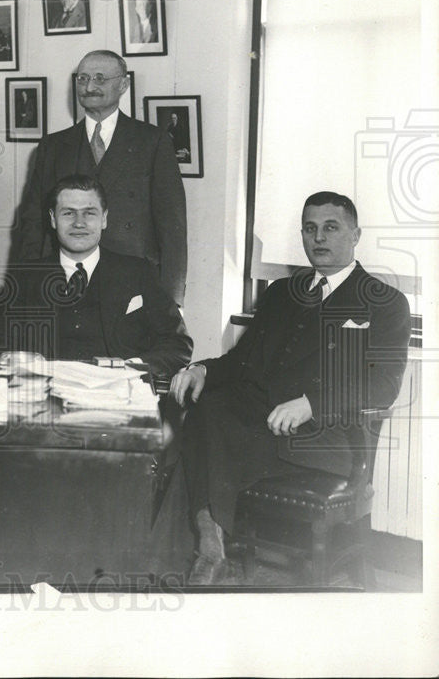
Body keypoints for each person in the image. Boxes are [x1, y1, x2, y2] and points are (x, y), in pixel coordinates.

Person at [170, 192, 411, 585]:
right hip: (258, 422)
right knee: (202, 405)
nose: (319, 238)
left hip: (324, 437)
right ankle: (210, 543)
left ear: (355, 234)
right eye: (310, 229)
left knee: (205, 434)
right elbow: (240, 362)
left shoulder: (385, 303)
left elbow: (384, 385)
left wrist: (312, 403)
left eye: (331, 227)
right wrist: (202, 371)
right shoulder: (282, 293)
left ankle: (206, 547)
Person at [13, 49, 188, 306]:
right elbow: (33, 224)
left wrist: (172, 301)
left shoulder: (151, 141)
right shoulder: (53, 145)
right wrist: (27, 288)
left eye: (100, 78)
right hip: (64, 282)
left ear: (124, 84)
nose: (89, 86)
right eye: (82, 79)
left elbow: (173, 226)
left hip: (132, 283)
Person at [0, 175, 191, 377]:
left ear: (104, 219)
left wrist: (131, 369)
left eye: (89, 213)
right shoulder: (23, 279)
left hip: (117, 396)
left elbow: (177, 344)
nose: (79, 223)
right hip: (44, 396)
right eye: (68, 213)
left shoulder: (138, 273)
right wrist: (16, 361)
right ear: (53, 219)